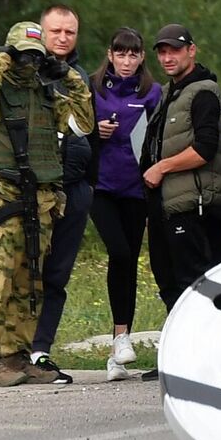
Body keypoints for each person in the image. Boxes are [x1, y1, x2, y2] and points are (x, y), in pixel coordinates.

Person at [0, 22, 93, 386]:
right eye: (23, 55)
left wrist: (70, 79)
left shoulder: (46, 96)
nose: (30, 63)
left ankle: (17, 358)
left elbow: (83, 124)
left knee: (29, 282)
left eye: (36, 56)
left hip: (38, 201)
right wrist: (2, 63)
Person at [141, 24, 221, 305]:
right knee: (169, 281)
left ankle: (215, 346)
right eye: (162, 52)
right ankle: (182, 347)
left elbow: (204, 149)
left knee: (197, 284)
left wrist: (161, 167)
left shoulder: (203, 93)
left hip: (197, 206)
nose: (167, 57)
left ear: (191, 51)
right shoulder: (168, 94)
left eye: (174, 50)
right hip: (169, 206)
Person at [87, 27, 162, 381]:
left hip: (137, 188)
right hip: (101, 186)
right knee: (117, 252)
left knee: (129, 261)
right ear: (110, 55)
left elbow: (160, 139)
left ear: (142, 57)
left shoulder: (152, 92)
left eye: (133, 54)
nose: (127, 61)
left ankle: (120, 350)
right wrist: (94, 132)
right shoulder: (92, 87)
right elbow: (71, 129)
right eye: (121, 54)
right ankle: (120, 338)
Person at [28, 4, 93, 380]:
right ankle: (14, 349)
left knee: (57, 274)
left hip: (77, 188)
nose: (63, 38)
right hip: (37, 190)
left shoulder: (79, 77)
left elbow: (82, 128)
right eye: (56, 31)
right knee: (27, 271)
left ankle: (41, 350)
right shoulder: (27, 74)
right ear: (43, 32)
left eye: (70, 32)